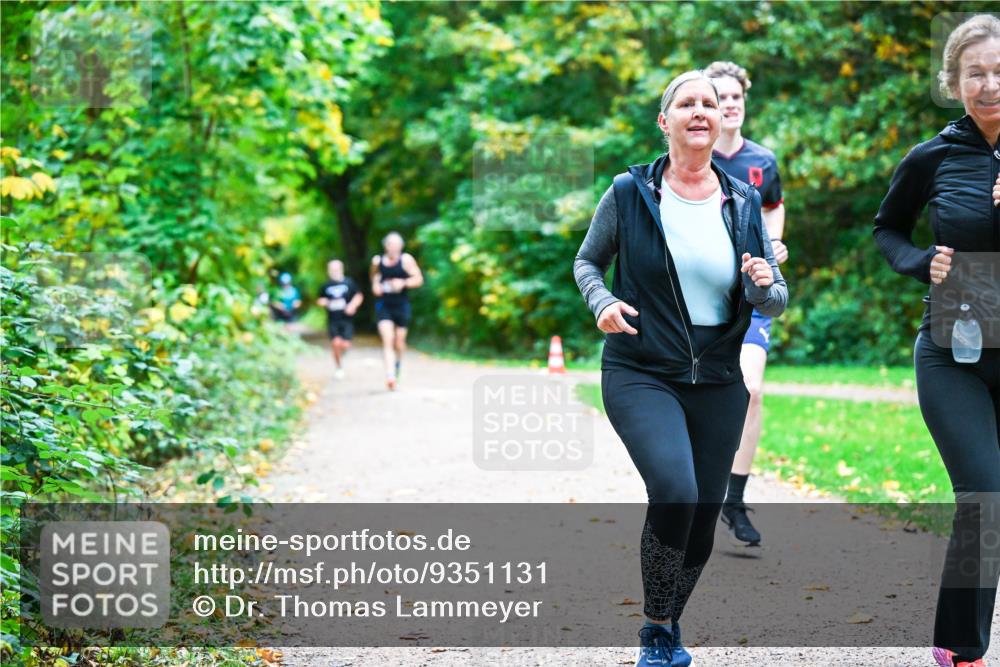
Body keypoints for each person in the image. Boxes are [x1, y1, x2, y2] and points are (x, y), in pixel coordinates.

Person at [574, 70, 787, 667]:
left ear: (720, 121)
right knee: (675, 491)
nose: (700, 111)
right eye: (686, 103)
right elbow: (588, 262)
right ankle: (656, 629)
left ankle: (668, 622)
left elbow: (775, 297)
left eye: (709, 104)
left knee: (702, 519)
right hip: (641, 368)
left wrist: (763, 284)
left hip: (718, 377)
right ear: (664, 121)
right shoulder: (629, 192)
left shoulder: (742, 201)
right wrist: (602, 301)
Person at [872, 14, 1000, 667]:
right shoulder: (934, 155)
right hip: (955, 353)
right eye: (975, 73)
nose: (989, 84)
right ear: (953, 83)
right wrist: (923, 262)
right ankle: (962, 648)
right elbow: (888, 229)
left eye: (999, 71)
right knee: (984, 496)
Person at [704, 60, 790, 548]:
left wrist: (774, 245)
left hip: (752, 293)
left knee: (751, 389)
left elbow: (774, 207)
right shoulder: (690, 158)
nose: (731, 105)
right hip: (700, 296)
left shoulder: (762, 161)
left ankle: (733, 500)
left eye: (737, 96)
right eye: (721, 97)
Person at [371, 232, 423, 391]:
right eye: (391, 245)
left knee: (399, 342)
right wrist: (376, 286)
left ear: (401, 246)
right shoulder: (377, 261)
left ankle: (398, 364)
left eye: (397, 245)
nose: (394, 248)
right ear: (386, 246)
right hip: (384, 305)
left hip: (401, 305)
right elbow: (374, 277)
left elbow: (419, 279)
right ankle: (390, 375)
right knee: (388, 339)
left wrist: (403, 283)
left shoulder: (406, 260)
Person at [317, 259, 363, 379]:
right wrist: (325, 302)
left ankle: (342, 352)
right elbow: (319, 300)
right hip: (333, 319)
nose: (334, 271)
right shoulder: (326, 285)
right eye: (332, 269)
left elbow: (358, 295)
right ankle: (339, 367)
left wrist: (352, 305)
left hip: (346, 319)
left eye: (336, 269)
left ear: (341, 269)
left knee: (345, 344)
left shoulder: (349, 283)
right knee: (335, 343)